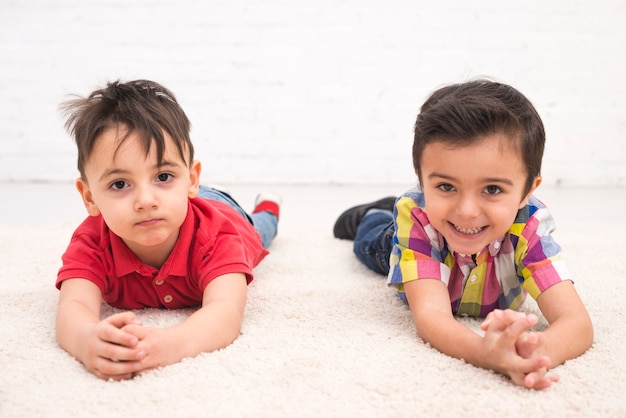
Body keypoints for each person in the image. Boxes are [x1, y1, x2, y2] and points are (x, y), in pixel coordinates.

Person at [333, 79, 593, 390]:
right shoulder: (419, 218)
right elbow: (432, 318)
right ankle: (373, 213)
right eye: (446, 186)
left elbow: (577, 324)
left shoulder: (530, 227)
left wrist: (537, 351)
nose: (467, 210)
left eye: (492, 189)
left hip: (445, 223)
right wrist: (483, 352)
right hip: (412, 237)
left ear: (527, 191)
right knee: (369, 242)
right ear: (421, 180)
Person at [56, 79, 281, 381]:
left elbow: (226, 311)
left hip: (226, 214)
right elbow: (74, 305)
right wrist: (86, 341)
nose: (146, 201)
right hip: (182, 203)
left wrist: (168, 345)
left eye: (163, 175)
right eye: (120, 184)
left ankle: (267, 206)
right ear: (89, 197)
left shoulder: (219, 237)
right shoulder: (92, 242)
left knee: (261, 229)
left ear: (190, 179)